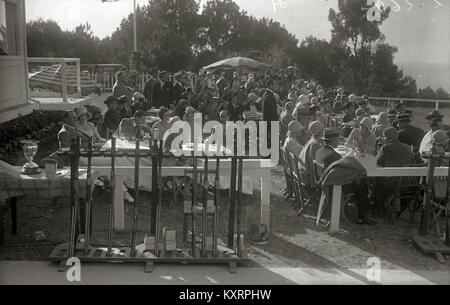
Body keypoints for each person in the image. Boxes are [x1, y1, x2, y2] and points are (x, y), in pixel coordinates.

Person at [315, 128, 372, 225]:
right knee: (360, 183)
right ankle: (363, 215)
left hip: (324, 181)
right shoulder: (334, 155)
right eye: (337, 140)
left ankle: (364, 210)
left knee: (360, 182)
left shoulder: (320, 151)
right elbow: (341, 173)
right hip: (333, 185)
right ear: (332, 141)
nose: (338, 141)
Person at [299, 121, 325, 187]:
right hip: (307, 179)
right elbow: (314, 166)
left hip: (302, 175)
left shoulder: (311, 140)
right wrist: (315, 185)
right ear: (320, 131)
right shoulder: (316, 144)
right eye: (322, 130)